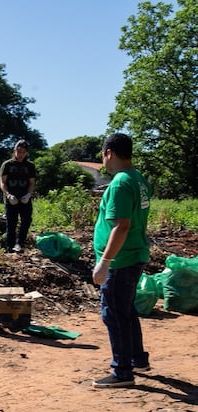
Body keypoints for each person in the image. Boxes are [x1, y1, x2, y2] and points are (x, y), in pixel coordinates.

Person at [91, 133, 152, 389]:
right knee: (126, 311)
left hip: (120, 260)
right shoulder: (138, 179)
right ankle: (137, 358)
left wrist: (104, 261)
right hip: (134, 254)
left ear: (109, 153)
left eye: (103, 156)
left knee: (114, 313)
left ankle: (122, 370)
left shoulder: (119, 183)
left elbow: (122, 226)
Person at [0, 140, 36, 253]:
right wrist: (8, 195)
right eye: (19, 151)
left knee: (26, 220)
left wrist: (29, 194)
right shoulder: (7, 165)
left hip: (25, 198)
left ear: (27, 153)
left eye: (23, 152)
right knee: (11, 223)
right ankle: (9, 247)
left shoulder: (30, 166)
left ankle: (19, 243)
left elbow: (31, 183)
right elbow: (2, 182)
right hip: (11, 199)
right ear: (14, 151)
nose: (20, 154)